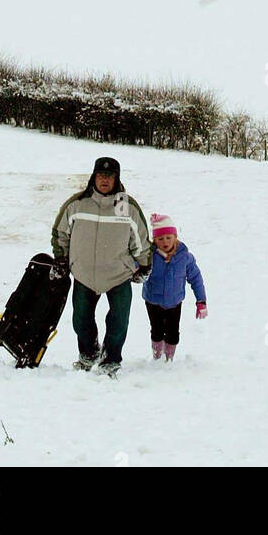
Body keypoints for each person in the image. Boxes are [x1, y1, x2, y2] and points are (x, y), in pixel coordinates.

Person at [51, 156, 151, 378]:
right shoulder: (77, 203)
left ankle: (111, 359)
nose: (105, 180)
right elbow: (60, 233)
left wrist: (144, 264)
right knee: (81, 319)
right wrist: (61, 258)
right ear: (94, 177)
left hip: (118, 274)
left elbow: (141, 239)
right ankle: (88, 353)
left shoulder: (127, 206)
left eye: (110, 176)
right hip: (84, 273)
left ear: (117, 179)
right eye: (101, 175)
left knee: (119, 320)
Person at [142, 212, 207, 363]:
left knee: (173, 333)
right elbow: (135, 267)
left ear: (175, 237)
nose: (165, 242)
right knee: (157, 331)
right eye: (160, 238)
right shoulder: (149, 256)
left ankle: (168, 359)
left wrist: (201, 300)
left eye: (168, 238)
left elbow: (196, 278)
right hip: (153, 300)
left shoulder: (184, 257)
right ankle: (157, 357)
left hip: (174, 302)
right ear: (154, 240)